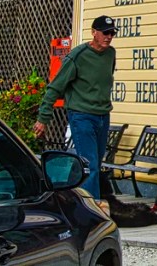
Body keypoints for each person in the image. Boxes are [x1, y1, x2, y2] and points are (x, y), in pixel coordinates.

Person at [33, 15, 118, 207]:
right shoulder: (77, 57)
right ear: (94, 32)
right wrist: (43, 118)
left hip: (103, 115)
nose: (109, 37)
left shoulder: (110, 54)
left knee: (96, 162)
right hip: (81, 115)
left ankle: (77, 198)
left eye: (112, 33)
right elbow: (55, 87)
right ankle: (92, 207)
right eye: (105, 33)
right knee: (90, 164)